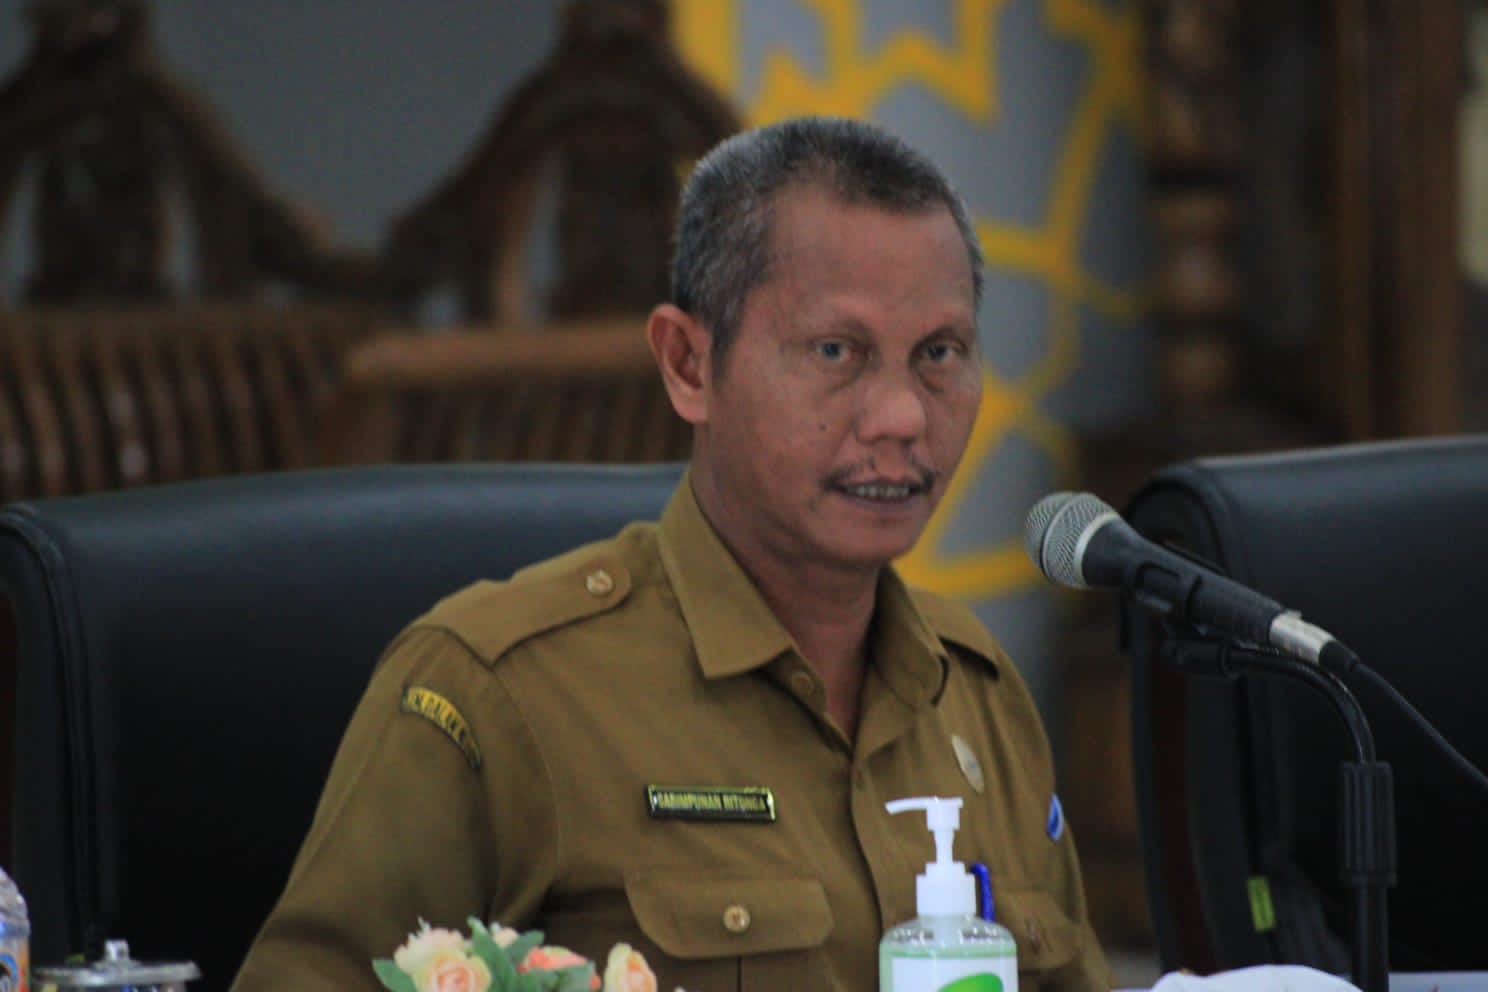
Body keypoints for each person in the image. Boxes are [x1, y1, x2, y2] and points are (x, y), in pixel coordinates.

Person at [230, 115, 1112, 992]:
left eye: (939, 353)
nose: (902, 416)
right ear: (690, 365)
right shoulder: (497, 693)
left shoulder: (977, 693)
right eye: (836, 351)